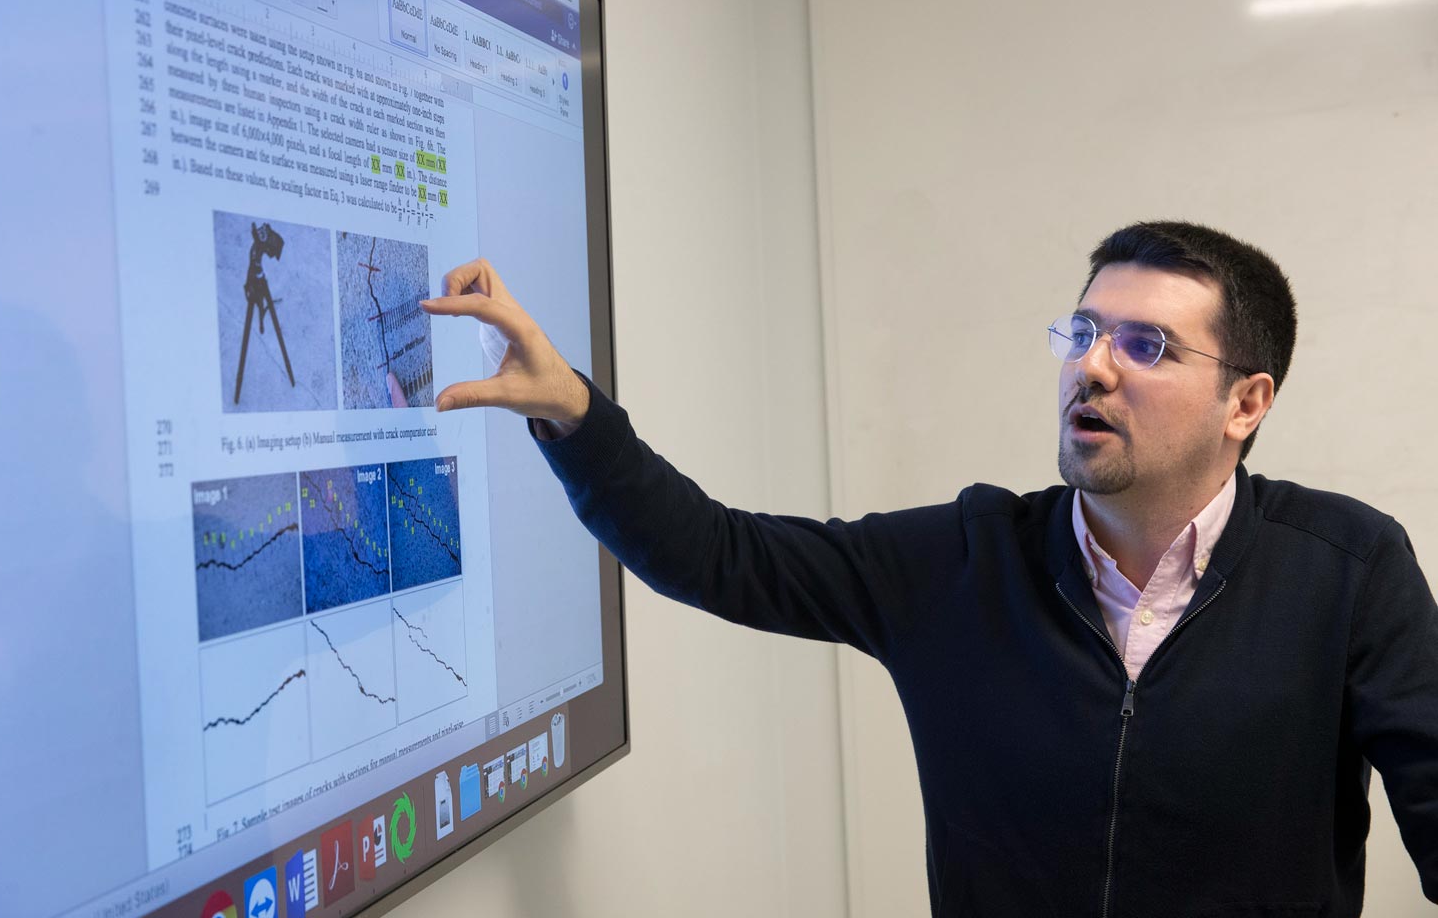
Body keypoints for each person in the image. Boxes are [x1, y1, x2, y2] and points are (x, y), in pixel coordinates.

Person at [420, 222, 1438, 916]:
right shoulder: (965, 559)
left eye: (1146, 344)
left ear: (1246, 403)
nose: (1092, 364)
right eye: (1083, 332)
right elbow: (718, 554)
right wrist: (570, 413)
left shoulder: (1347, 570)